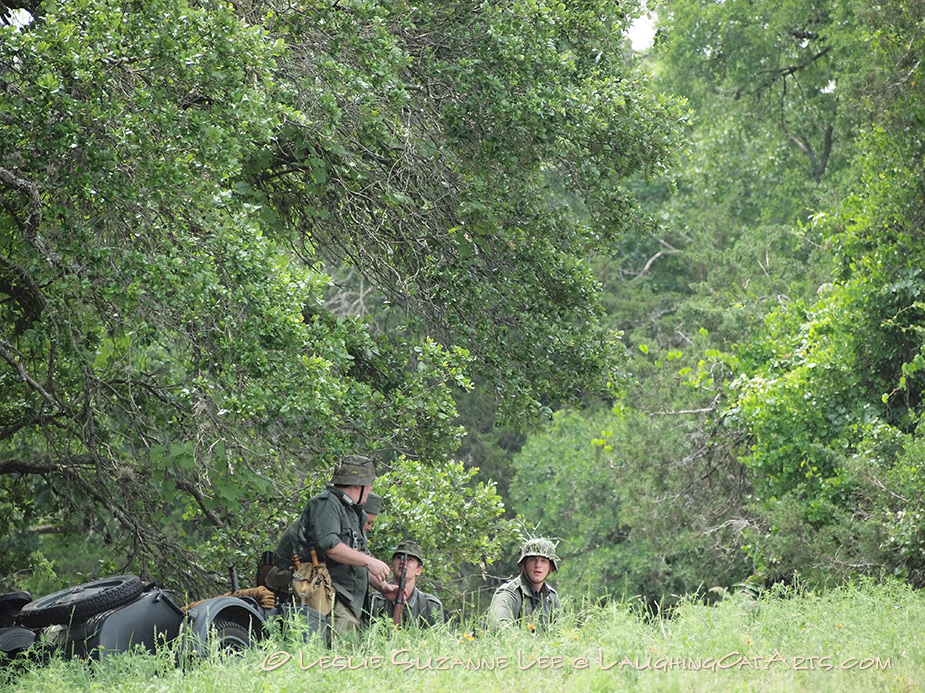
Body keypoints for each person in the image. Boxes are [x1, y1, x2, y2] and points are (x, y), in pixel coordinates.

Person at [267, 455, 396, 635]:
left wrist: (382, 586)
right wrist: (369, 562)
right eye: (369, 484)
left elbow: (358, 557)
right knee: (337, 656)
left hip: (347, 599)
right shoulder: (326, 504)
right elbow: (330, 546)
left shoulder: (353, 512)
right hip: (328, 597)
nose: (371, 489)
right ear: (357, 485)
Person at [486, 537, 560, 632]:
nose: (538, 565)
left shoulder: (551, 597)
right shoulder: (508, 593)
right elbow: (500, 627)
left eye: (544, 561)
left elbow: (559, 634)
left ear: (550, 567)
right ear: (523, 564)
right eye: (532, 559)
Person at [367, 539, 444, 627]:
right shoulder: (374, 601)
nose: (403, 562)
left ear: (419, 570)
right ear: (391, 565)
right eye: (399, 557)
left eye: (410, 560)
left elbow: (437, 639)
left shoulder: (431, 605)